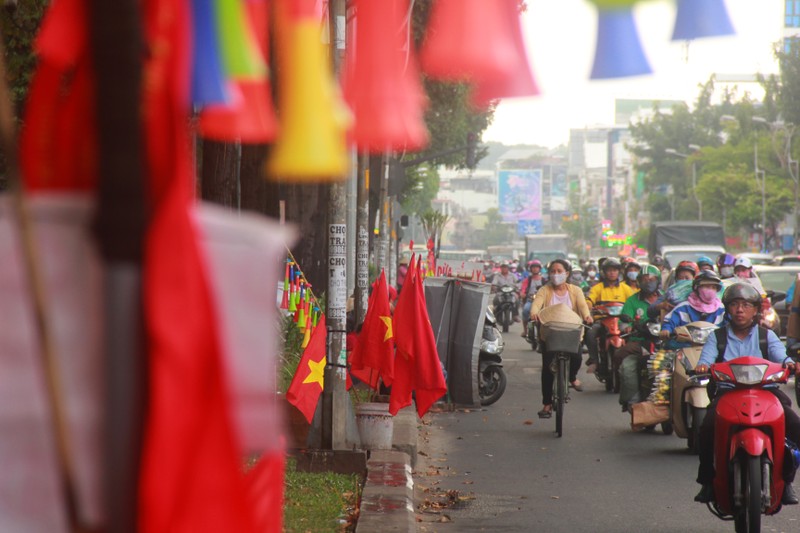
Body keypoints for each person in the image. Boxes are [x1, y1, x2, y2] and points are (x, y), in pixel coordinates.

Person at [694, 283, 800, 505]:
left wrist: (789, 363)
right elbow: (706, 358)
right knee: (706, 429)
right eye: (734, 304)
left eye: (745, 305)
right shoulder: (717, 337)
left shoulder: (766, 336)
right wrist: (703, 366)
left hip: (767, 393)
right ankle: (707, 482)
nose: (739, 310)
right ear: (727, 309)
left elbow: (781, 356)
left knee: (794, 425)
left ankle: (787, 481)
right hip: (728, 394)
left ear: (755, 310)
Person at [529, 259, 593, 418]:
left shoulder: (576, 290)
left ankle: (572, 377)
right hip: (550, 334)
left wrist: (587, 316)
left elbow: (583, 307)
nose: (556, 274)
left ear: (567, 273)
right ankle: (547, 404)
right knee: (547, 368)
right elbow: (536, 304)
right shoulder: (545, 290)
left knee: (577, 357)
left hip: (572, 333)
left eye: (559, 271)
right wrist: (534, 313)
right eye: (553, 271)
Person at [584, 257, 635, 374]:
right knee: (591, 333)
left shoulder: (626, 288)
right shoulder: (597, 288)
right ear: (604, 272)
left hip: (621, 321)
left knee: (632, 333)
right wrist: (588, 309)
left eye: (615, 270)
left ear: (619, 272)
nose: (612, 273)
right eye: (609, 270)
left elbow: (633, 303)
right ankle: (594, 361)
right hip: (602, 321)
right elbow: (589, 300)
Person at [613, 265, 663, 378]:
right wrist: (627, 327)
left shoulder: (666, 298)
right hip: (640, 341)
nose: (648, 282)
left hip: (664, 342)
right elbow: (624, 321)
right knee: (620, 356)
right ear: (639, 282)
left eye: (651, 279)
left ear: (658, 281)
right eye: (644, 280)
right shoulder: (632, 300)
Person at [659, 271, 725, 349]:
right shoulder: (683, 307)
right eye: (707, 286)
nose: (710, 290)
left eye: (713, 287)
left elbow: (729, 326)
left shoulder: (721, 309)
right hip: (686, 347)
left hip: (714, 348)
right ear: (697, 288)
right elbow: (670, 322)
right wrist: (666, 330)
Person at [520, 260, 547, 335]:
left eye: (536, 267)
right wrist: (522, 293)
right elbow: (523, 289)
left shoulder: (544, 280)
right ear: (530, 269)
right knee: (525, 310)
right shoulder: (527, 280)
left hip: (542, 301)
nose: (535, 269)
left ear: (539, 269)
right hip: (530, 300)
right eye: (533, 267)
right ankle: (525, 330)